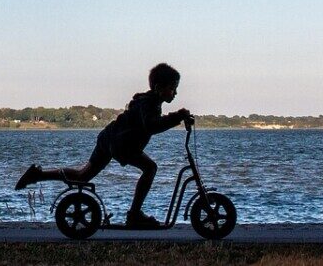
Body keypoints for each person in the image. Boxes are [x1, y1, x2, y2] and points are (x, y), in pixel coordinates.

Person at [14, 63, 191, 227]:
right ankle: (134, 214)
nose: (175, 93)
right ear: (159, 88)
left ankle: (38, 175)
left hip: (109, 137)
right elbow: (151, 125)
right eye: (172, 88)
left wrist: (177, 117)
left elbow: (152, 123)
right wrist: (177, 117)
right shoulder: (148, 103)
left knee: (82, 176)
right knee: (150, 168)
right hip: (121, 143)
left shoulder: (150, 101)